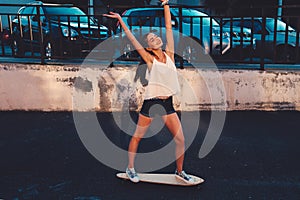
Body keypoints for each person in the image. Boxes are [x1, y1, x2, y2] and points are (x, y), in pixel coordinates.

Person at [103, 0, 194, 184]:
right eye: (151, 39)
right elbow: (133, 40)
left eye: (155, 36)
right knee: (137, 137)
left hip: (167, 103)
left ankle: (179, 171)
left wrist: (166, 4)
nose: (156, 38)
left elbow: (168, 27)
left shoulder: (169, 54)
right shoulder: (150, 59)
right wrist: (121, 20)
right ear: (150, 46)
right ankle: (130, 169)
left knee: (181, 140)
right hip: (152, 103)